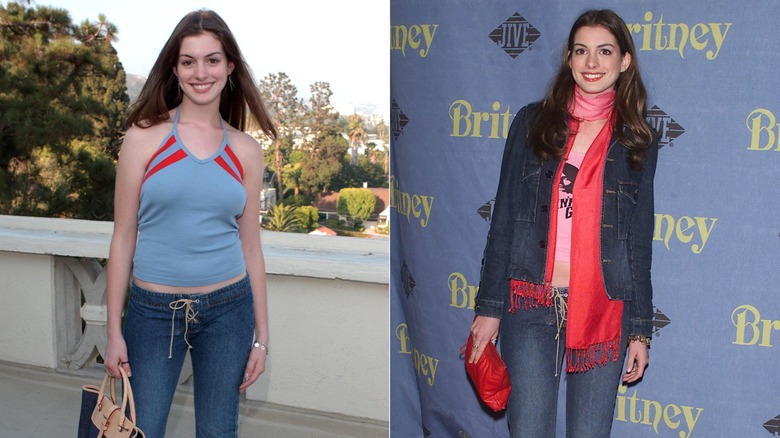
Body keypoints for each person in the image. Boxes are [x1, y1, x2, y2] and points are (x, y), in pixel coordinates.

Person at [468, 9, 658, 437]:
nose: (592, 63)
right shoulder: (533, 124)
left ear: (624, 60)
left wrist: (641, 330)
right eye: (581, 51)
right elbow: (505, 220)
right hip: (531, 302)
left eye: (604, 51)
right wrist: (489, 308)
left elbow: (637, 241)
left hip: (605, 306)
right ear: (569, 60)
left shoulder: (636, 138)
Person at [103, 9, 277, 437]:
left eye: (212, 60)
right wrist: (113, 332)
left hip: (228, 311)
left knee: (219, 431)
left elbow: (250, 246)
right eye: (188, 61)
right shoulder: (143, 137)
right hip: (152, 313)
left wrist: (261, 338)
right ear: (175, 69)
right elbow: (123, 237)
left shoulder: (247, 150)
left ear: (229, 67)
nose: (201, 72)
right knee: (140, 430)